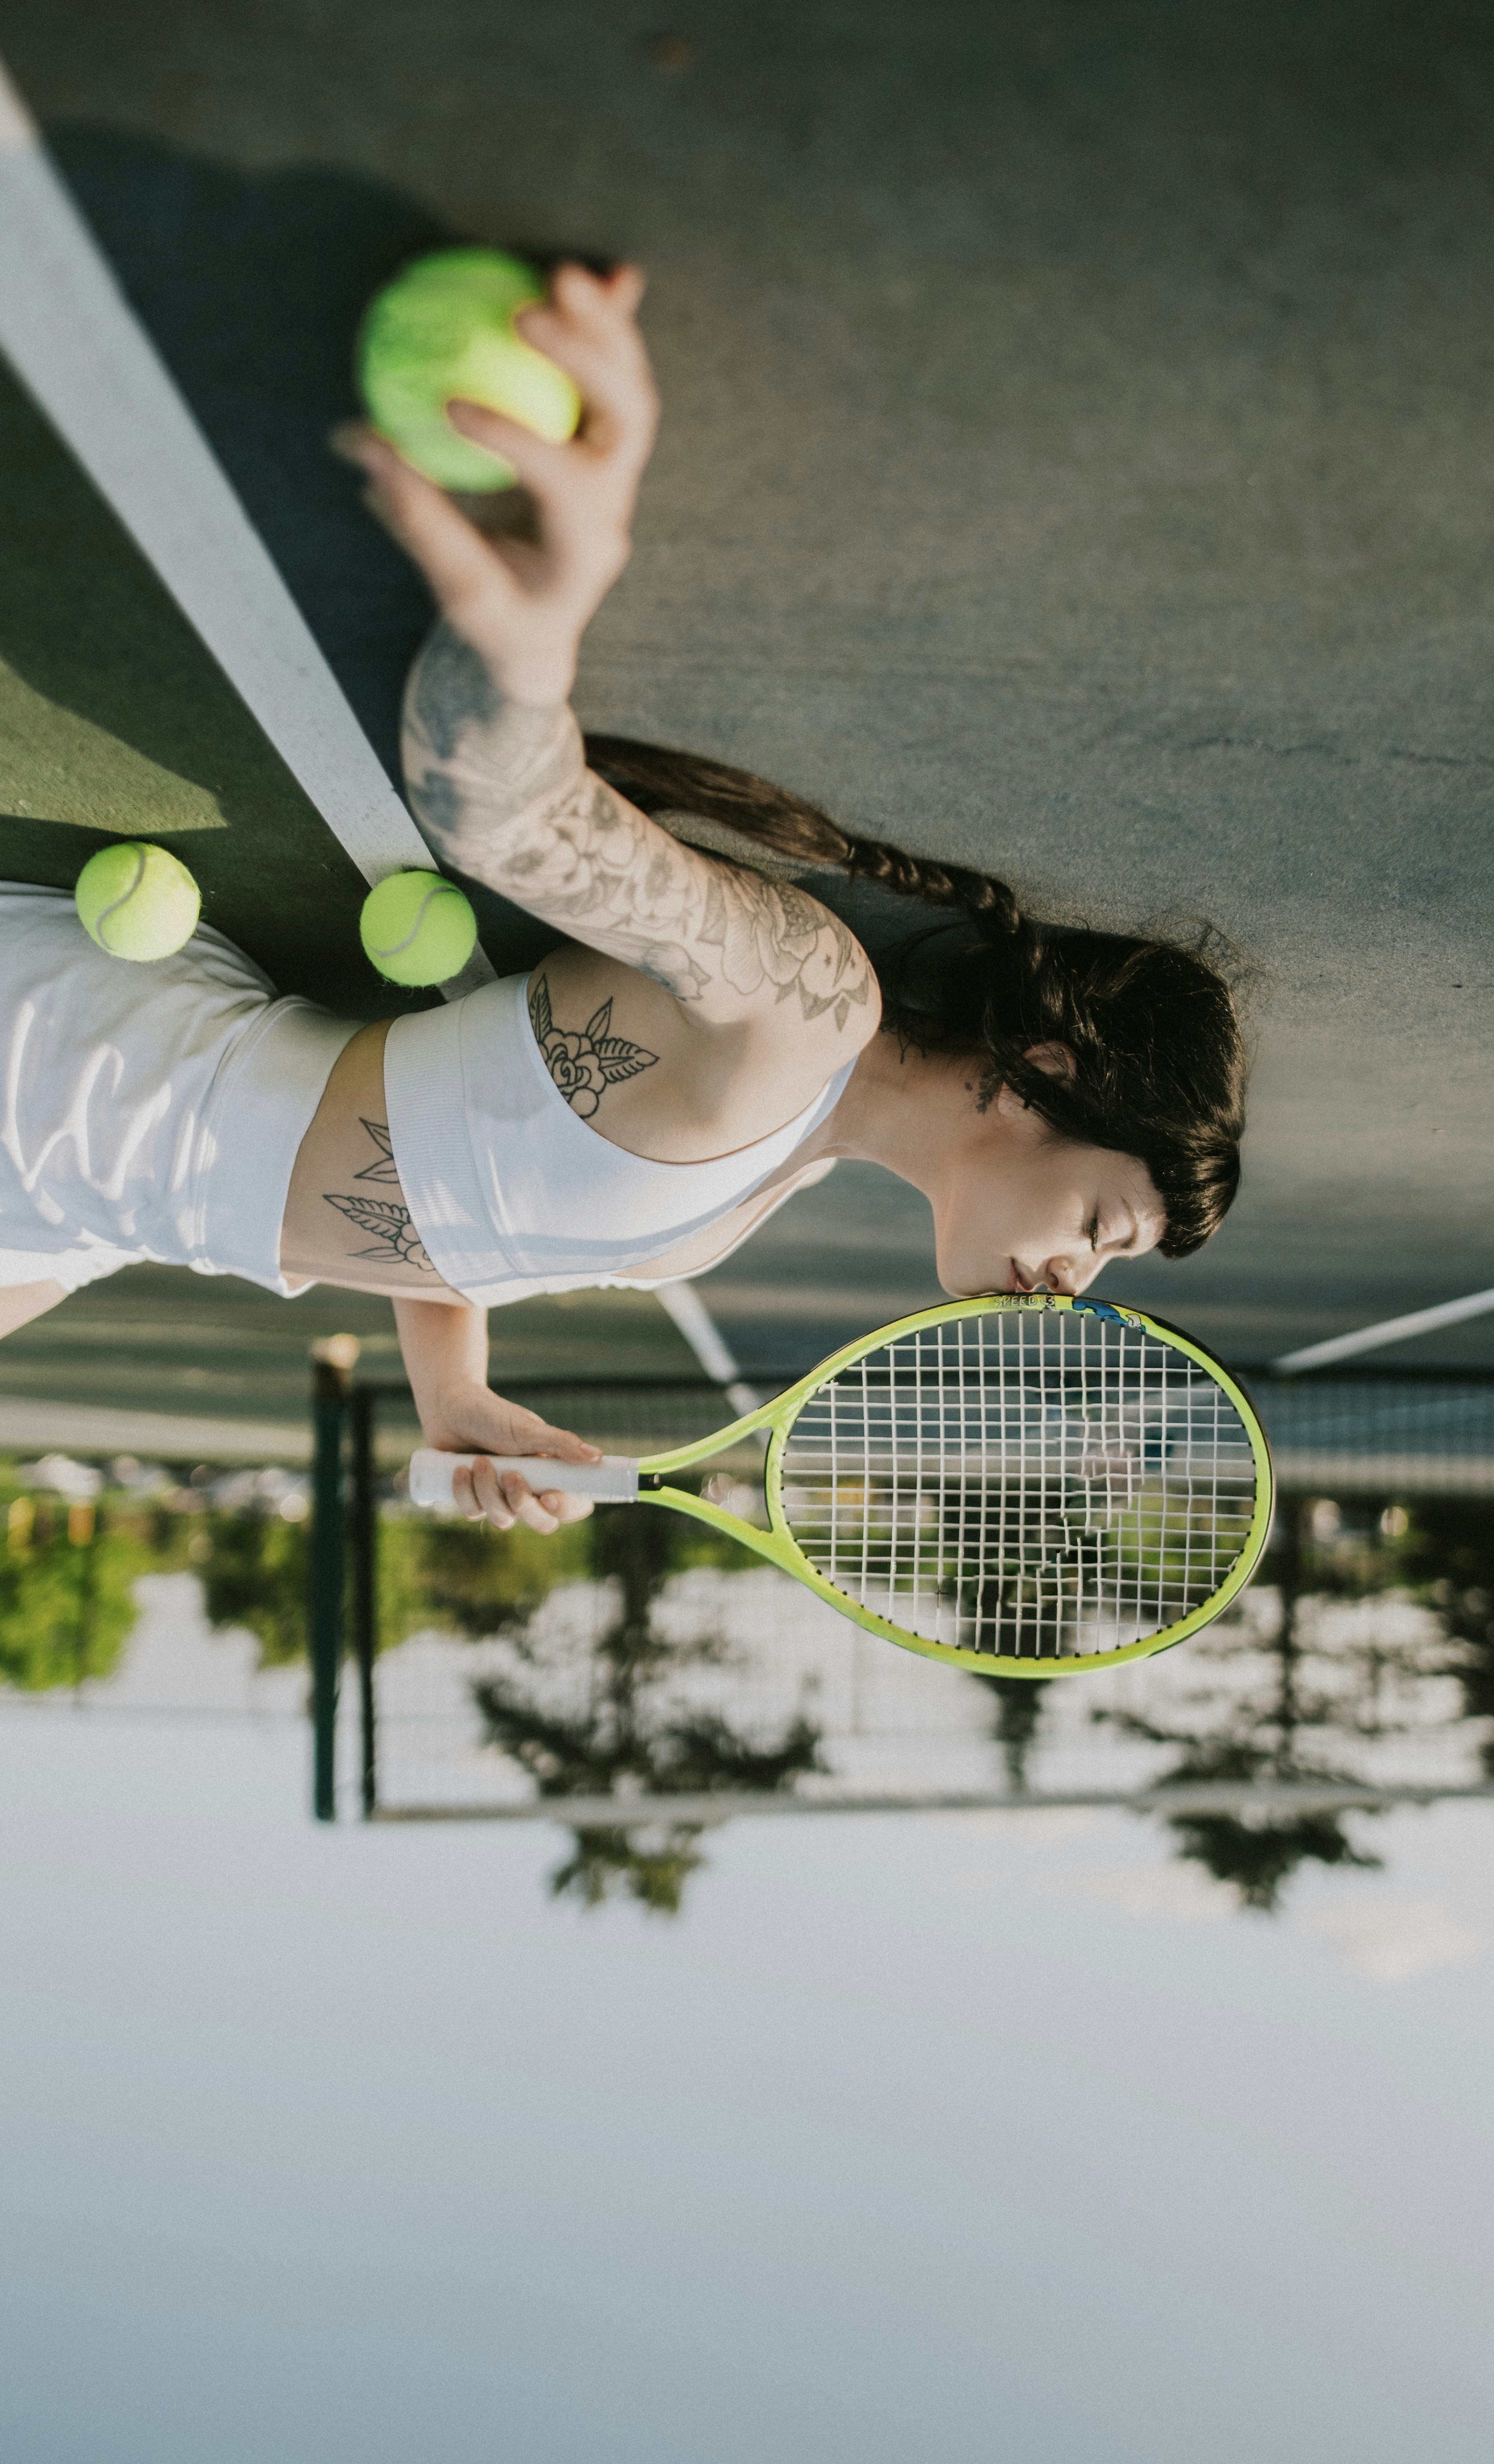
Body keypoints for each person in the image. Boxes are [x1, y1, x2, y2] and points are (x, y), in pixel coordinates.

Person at [0, 264, 1246, 1534]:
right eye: (1103, 1225)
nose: (1075, 1281)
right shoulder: (803, 1010)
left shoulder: (771, 1186)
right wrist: (546, 612)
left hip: (92, 1216)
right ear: (1045, 1073)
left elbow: (443, 1180)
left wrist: (455, 1391)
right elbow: (508, 815)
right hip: (71, 1081)